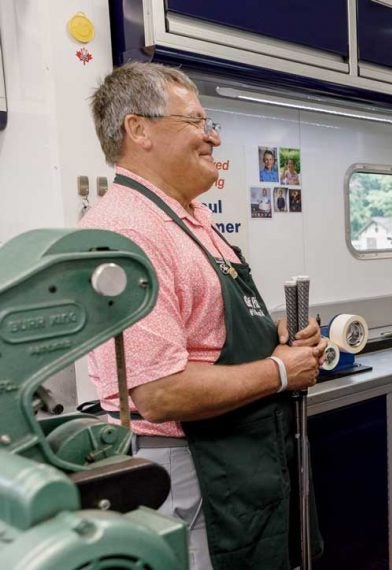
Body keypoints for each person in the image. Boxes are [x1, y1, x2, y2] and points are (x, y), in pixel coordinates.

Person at [82, 62, 327, 570]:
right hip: (189, 466)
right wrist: (280, 370)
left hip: (237, 453)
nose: (212, 137)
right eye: (195, 122)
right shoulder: (127, 231)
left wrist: (275, 333)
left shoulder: (188, 218)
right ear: (138, 129)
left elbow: (210, 328)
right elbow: (159, 392)